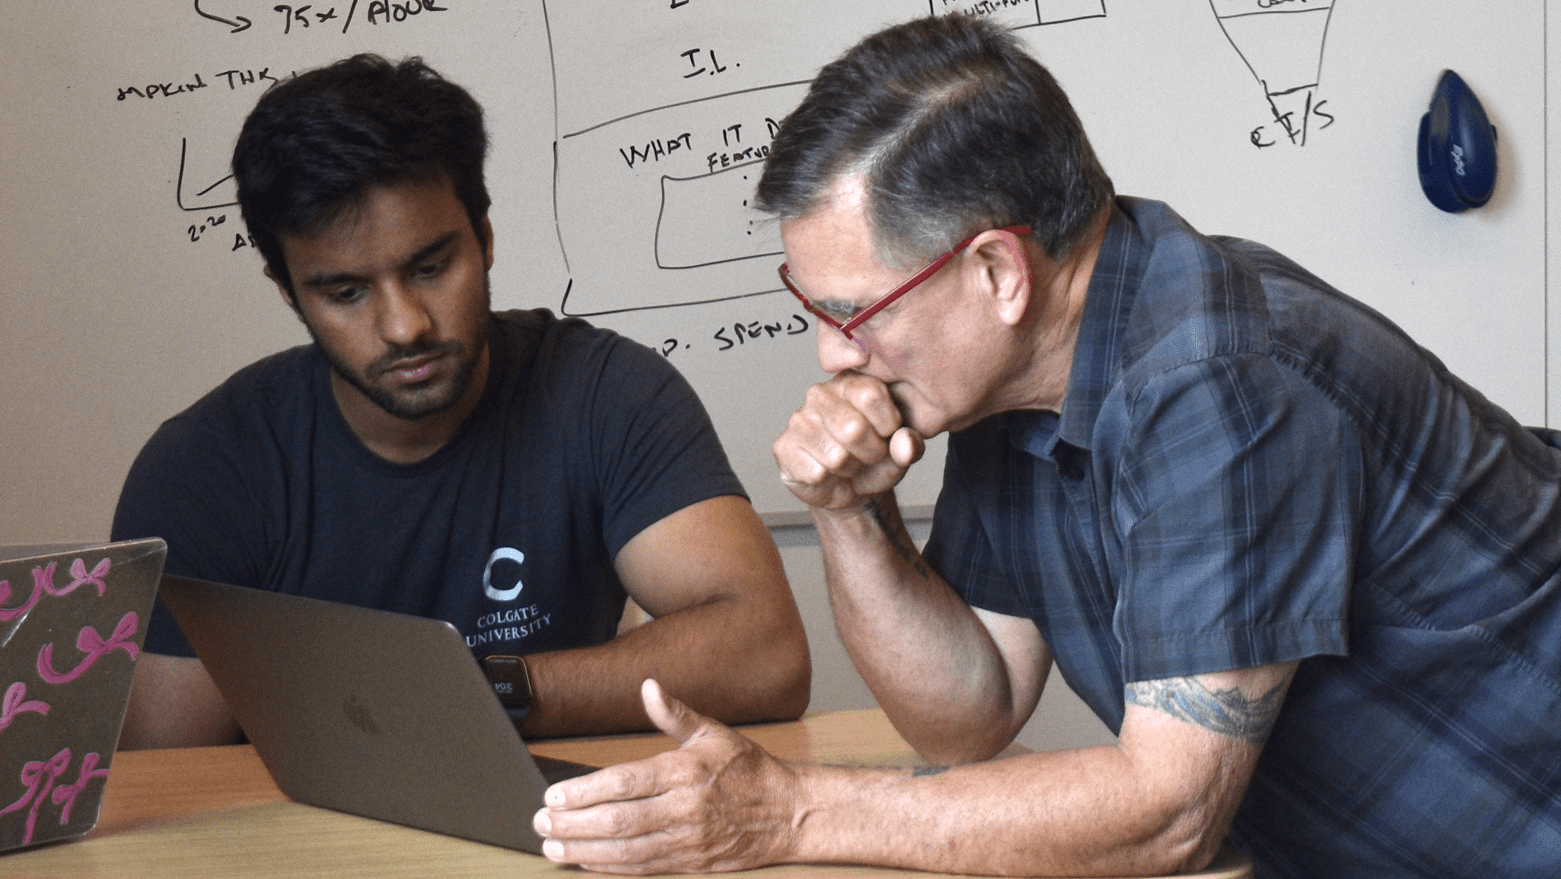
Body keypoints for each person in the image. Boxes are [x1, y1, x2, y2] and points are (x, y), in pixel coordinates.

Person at [531, 14, 1561, 878]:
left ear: (997, 272)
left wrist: (791, 811)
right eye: (810, 305)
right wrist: (851, 512)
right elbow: (966, 719)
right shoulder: (1014, 381)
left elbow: (1167, 815)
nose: (832, 354)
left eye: (855, 310)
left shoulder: (1216, 379)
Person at [111, 54, 809, 750]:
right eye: (345, 292)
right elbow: (166, 777)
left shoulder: (608, 393)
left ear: (485, 235)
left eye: (430, 267)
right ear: (287, 289)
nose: (404, 325)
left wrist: (478, 694)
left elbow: (765, 655)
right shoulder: (204, 468)